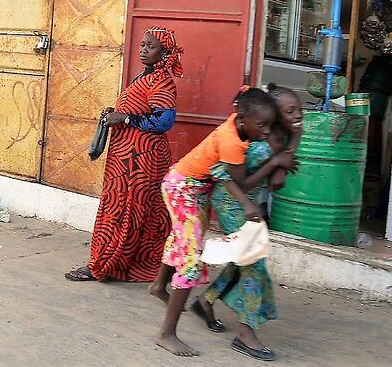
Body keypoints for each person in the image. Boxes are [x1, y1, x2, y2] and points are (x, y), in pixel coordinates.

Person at [152, 88, 296, 357]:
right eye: (261, 125)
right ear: (243, 119)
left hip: (197, 189)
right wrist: (271, 167)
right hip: (183, 188)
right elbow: (239, 182)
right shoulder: (234, 142)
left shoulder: (241, 128)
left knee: (181, 241)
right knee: (192, 260)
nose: (265, 131)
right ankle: (167, 333)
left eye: (269, 124)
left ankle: (159, 286)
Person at [193, 84, 303, 362]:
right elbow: (225, 173)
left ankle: (205, 302)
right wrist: (275, 164)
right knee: (254, 264)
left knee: (245, 258)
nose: (298, 115)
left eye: (299, 110)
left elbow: (282, 167)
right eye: (290, 111)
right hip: (233, 202)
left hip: (252, 204)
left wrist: (282, 162)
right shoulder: (252, 136)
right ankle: (246, 332)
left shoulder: (282, 133)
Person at [65, 26, 182, 282]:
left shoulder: (161, 80)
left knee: (126, 210)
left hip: (141, 160)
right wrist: (116, 113)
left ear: (164, 53)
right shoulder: (144, 76)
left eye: (151, 46)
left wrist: (126, 117)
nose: (143, 49)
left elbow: (164, 122)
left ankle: (105, 264)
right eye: (142, 44)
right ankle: (123, 262)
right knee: (129, 209)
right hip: (128, 156)